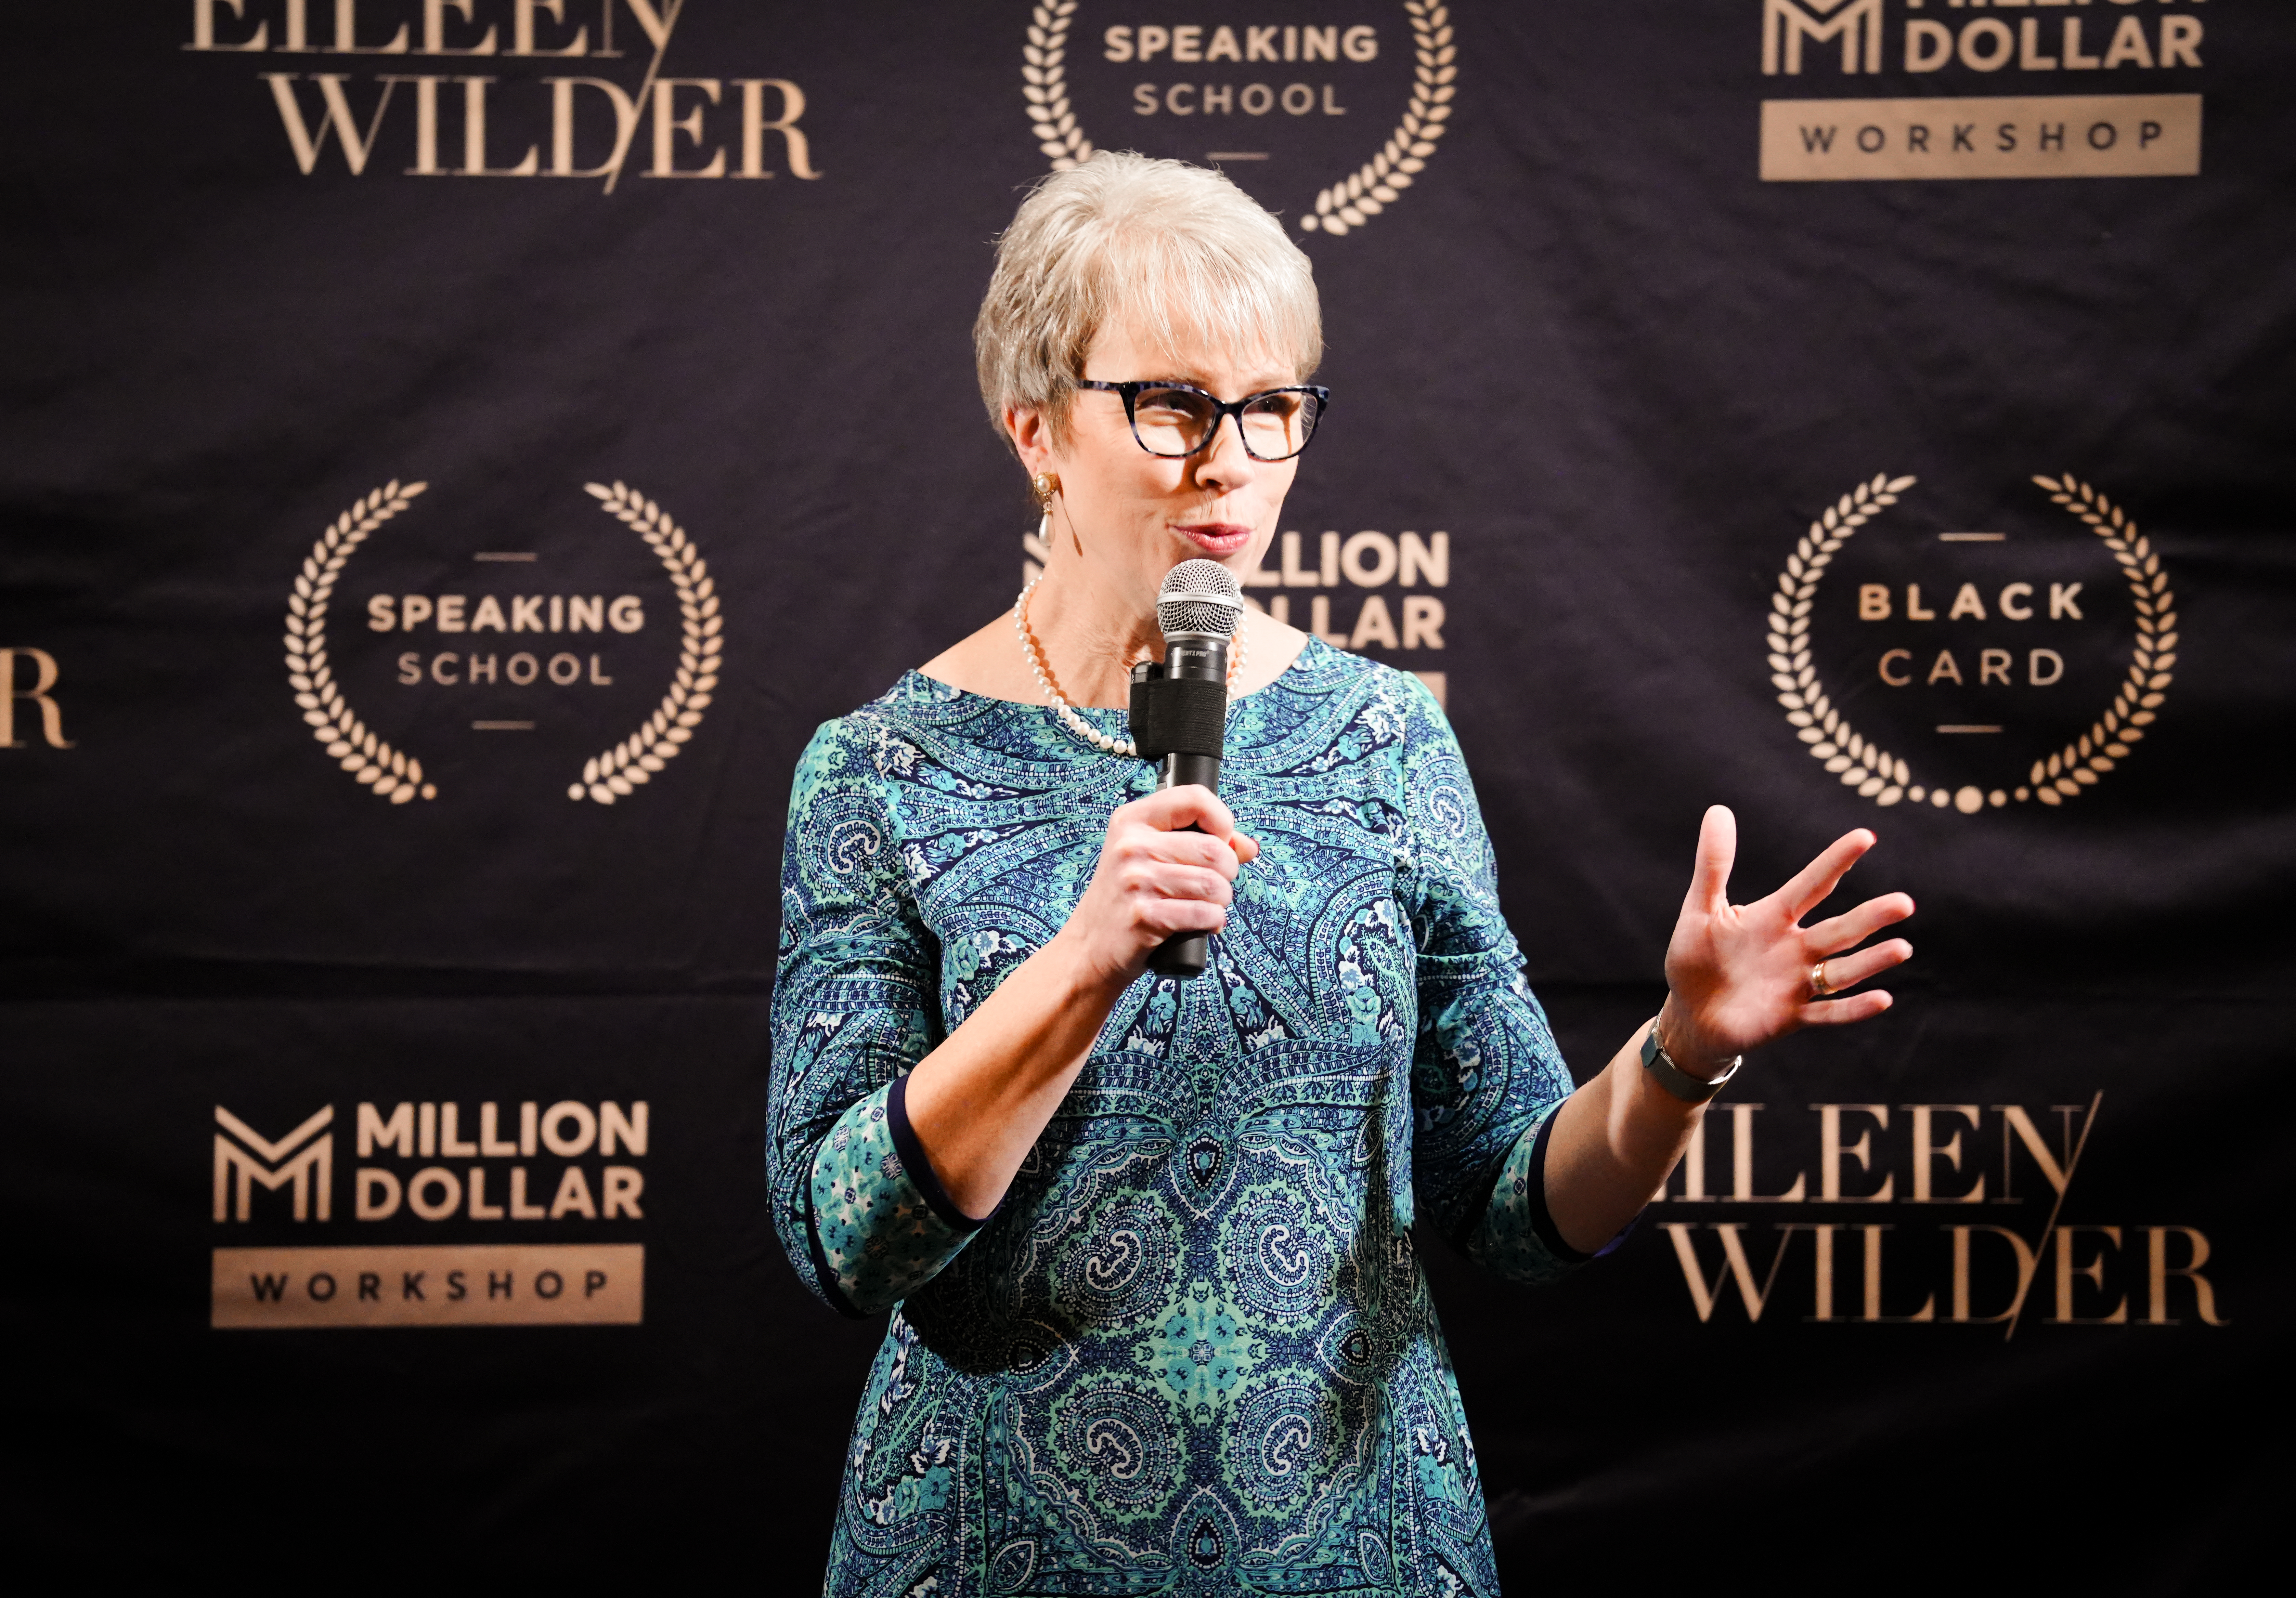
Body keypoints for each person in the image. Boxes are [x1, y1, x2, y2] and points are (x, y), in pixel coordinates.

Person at [766, 153, 1913, 1595]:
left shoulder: (1385, 737)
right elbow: (840, 1240)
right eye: (1176, 401)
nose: (1230, 458)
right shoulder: (882, 771)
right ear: (1037, 426)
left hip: (1358, 1538)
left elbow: (1518, 1205)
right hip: (989, 1548)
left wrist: (1679, 1056)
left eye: (1271, 408)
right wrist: (1078, 964)